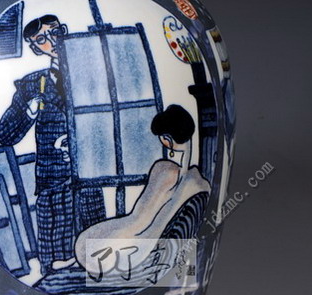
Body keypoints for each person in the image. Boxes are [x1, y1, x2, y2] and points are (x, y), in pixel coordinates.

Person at [0, 14, 104, 276]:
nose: (53, 42)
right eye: (42, 39)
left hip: (88, 168)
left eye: (55, 32)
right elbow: (4, 134)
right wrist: (29, 111)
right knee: (56, 242)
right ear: (35, 48)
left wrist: (80, 141)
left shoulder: (93, 72)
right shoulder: (32, 84)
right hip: (52, 174)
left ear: (64, 30)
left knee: (93, 232)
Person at [75, 105, 211, 276]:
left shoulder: (170, 174)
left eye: (162, 138)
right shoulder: (186, 178)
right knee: (102, 240)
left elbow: (144, 220)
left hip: (149, 236)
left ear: (167, 139)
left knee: (102, 243)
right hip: (144, 229)